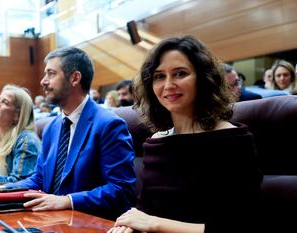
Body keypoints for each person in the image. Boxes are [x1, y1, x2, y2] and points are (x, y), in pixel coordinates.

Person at [109, 35, 262, 233]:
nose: (168, 84)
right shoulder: (156, 142)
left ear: (203, 78)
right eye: (159, 76)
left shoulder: (234, 141)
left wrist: (154, 224)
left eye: (180, 73)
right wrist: (130, 225)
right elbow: (145, 210)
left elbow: (241, 226)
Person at [0, 47, 136, 220]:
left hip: (88, 223)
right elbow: (39, 179)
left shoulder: (108, 125)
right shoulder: (51, 127)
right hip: (50, 221)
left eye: (51, 74)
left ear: (75, 78)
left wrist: (68, 200)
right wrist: (0, 191)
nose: (43, 81)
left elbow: (121, 189)